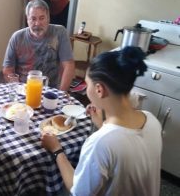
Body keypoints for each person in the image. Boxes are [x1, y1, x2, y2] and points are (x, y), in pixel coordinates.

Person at [41, 46, 162, 196]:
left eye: (87, 84)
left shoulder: (100, 143)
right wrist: (102, 125)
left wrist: (57, 150)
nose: (86, 90)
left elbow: (77, 191)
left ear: (99, 89)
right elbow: (125, 142)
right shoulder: (151, 120)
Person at [3, 0, 75, 91]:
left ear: (48, 17)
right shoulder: (17, 37)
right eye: (33, 19)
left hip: (51, 89)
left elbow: (69, 65)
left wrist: (61, 94)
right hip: (24, 89)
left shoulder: (60, 32)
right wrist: (18, 89)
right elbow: (8, 69)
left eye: (42, 18)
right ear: (27, 19)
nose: (37, 23)